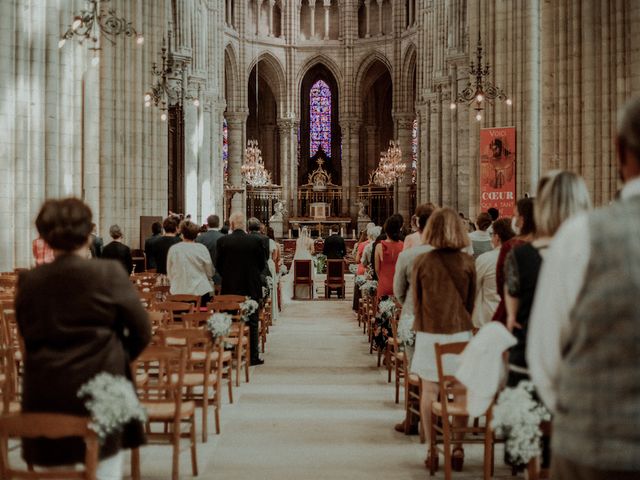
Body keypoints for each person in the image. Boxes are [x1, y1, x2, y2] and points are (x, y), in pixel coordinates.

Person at [527, 102, 640, 480]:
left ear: (619, 149)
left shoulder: (580, 236)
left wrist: (587, 415)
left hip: (592, 453)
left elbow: (546, 359)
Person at [15, 198, 151, 479]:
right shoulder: (108, 273)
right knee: (103, 469)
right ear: (87, 235)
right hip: (101, 390)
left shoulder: (30, 281)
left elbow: (27, 334)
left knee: (54, 471)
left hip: (46, 392)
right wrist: (116, 356)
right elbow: (142, 330)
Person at [411, 207, 476, 471]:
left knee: (429, 390)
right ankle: (458, 447)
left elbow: (416, 300)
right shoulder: (467, 262)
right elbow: (471, 301)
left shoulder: (423, 262)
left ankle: (431, 448)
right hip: (460, 331)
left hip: (429, 331)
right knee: (460, 391)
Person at [392, 202, 436, 434]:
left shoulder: (409, 255)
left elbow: (399, 291)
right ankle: (439, 416)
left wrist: (408, 307)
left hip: (413, 318)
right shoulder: (456, 254)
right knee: (440, 368)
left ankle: (413, 418)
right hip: (443, 323)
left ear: (417, 223)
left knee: (414, 368)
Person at [215, 212, 266, 365]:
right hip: (251, 285)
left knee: (228, 319)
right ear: (245, 225)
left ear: (231, 224)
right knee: (252, 320)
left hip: (230, 286)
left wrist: (229, 276)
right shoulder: (256, 240)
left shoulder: (223, 241)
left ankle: (228, 353)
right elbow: (261, 264)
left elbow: (219, 265)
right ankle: (253, 356)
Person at [492, 197, 535, 324]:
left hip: (514, 313)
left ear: (522, 219)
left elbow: (502, 283)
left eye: (514, 215)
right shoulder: (550, 244)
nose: (514, 221)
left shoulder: (511, 247)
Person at [471, 218, 514, 327]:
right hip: (512, 318)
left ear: (497, 236)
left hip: (487, 318)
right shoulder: (521, 257)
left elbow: (474, 288)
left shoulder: (485, 259)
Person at [167, 220, 215, 305]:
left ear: (182, 233)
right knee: (200, 317)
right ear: (196, 234)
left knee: (178, 317)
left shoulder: (174, 249)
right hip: (200, 292)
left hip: (179, 292)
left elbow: (170, 272)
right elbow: (210, 272)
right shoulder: (202, 248)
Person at [375, 215, 404, 299]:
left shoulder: (379, 246)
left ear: (386, 230)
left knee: (383, 310)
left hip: (384, 283)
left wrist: (382, 279)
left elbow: (377, 268)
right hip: (399, 284)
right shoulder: (403, 245)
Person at [195, 214, 223, 286]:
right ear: (219, 224)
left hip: (202, 277)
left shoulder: (199, 238)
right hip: (220, 276)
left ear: (207, 224)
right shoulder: (224, 238)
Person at [266, 227, 280, 321]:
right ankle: (272, 310)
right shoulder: (272, 243)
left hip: (265, 264)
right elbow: (275, 257)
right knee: (271, 285)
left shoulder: (263, 241)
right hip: (270, 264)